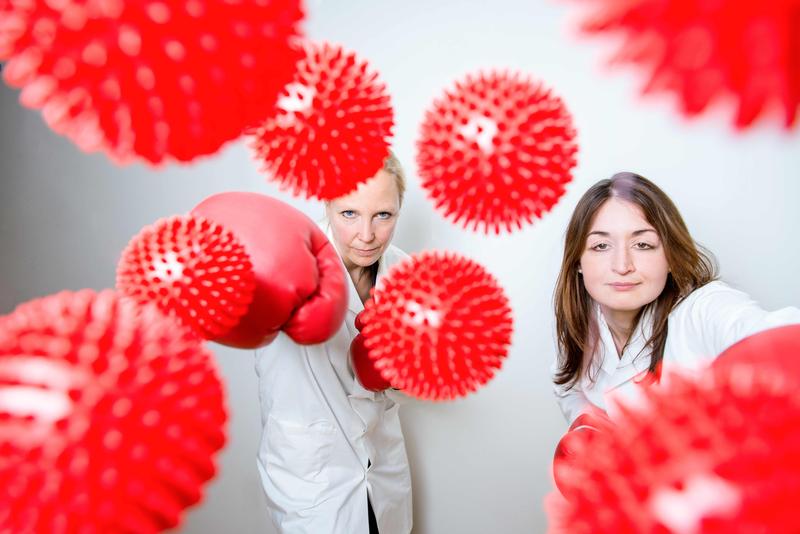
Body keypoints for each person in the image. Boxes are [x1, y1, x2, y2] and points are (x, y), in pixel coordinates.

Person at [551, 172, 800, 424]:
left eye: (643, 245)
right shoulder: (582, 322)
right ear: (578, 262)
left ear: (670, 257)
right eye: (601, 246)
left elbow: (780, 338)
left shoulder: (702, 310)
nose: (622, 265)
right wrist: (588, 426)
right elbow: (569, 387)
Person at [254, 152, 413, 534]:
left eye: (383, 215)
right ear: (326, 203)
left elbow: (412, 378)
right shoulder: (288, 265)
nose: (367, 234)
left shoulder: (405, 272)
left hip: (382, 464)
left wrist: (395, 370)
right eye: (349, 214)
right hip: (314, 474)